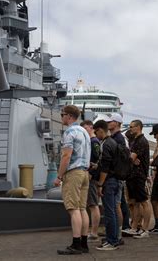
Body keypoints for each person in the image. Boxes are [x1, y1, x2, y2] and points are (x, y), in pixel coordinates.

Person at [54, 105, 91, 255]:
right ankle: (83, 243)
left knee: (73, 209)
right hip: (84, 173)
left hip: (74, 173)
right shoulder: (84, 132)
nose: (61, 117)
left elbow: (66, 156)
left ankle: (75, 245)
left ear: (69, 116)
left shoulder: (69, 132)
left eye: (62, 114)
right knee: (82, 208)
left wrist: (59, 176)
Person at [93, 120, 120, 251]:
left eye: (95, 131)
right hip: (115, 180)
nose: (95, 134)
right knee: (113, 211)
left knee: (109, 212)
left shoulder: (105, 144)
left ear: (100, 130)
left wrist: (100, 184)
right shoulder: (113, 142)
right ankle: (115, 238)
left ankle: (111, 241)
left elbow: (105, 167)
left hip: (108, 182)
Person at [125, 120, 152, 239]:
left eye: (132, 127)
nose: (130, 129)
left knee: (144, 201)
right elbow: (131, 158)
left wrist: (130, 158)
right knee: (135, 202)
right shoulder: (136, 140)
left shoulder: (140, 141)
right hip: (133, 175)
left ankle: (145, 229)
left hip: (138, 175)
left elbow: (131, 158)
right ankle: (134, 227)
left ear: (139, 127)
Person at [106, 113, 129, 241]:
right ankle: (116, 233)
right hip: (118, 175)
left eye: (111, 121)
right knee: (117, 205)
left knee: (116, 206)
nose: (109, 123)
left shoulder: (119, 138)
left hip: (116, 176)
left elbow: (122, 157)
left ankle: (117, 234)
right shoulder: (117, 137)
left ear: (117, 123)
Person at [80, 120, 102, 241]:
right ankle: (93, 231)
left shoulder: (93, 142)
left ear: (90, 127)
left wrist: (92, 174)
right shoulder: (93, 141)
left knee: (93, 205)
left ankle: (93, 232)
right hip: (92, 176)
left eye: (84, 128)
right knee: (93, 204)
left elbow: (98, 160)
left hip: (92, 177)